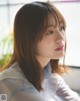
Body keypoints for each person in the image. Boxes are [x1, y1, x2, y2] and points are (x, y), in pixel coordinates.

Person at [0, 1, 80, 101]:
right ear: (29, 39)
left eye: (61, 28)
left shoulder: (48, 75)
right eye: (50, 32)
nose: (61, 38)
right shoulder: (13, 83)